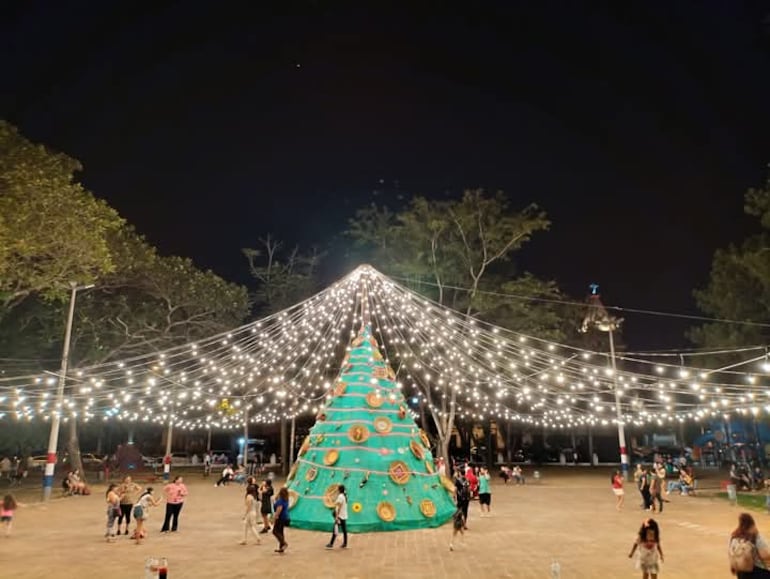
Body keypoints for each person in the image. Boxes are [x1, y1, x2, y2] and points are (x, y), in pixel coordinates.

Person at [729, 512, 770, 578]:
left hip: (741, 572)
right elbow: (765, 556)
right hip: (757, 572)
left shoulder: (734, 536)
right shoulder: (754, 535)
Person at [326, 484, 348, 549]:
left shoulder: (340, 497)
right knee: (344, 530)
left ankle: (331, 544)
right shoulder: (343, 496)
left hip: (340, 516)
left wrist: (337, 516)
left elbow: (339, 506)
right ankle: (345, 543)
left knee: (335, 529)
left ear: (339, 490)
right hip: (343, 515)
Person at [272, 486, 290, 553]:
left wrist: (275, 517)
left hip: (280, 517)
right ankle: (281, 547)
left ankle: (284, 543)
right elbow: (276, 498)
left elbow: (279, 510)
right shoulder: (286, 499)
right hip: (285, 517)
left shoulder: (280, 501)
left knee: (275, 531)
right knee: (280, 532)